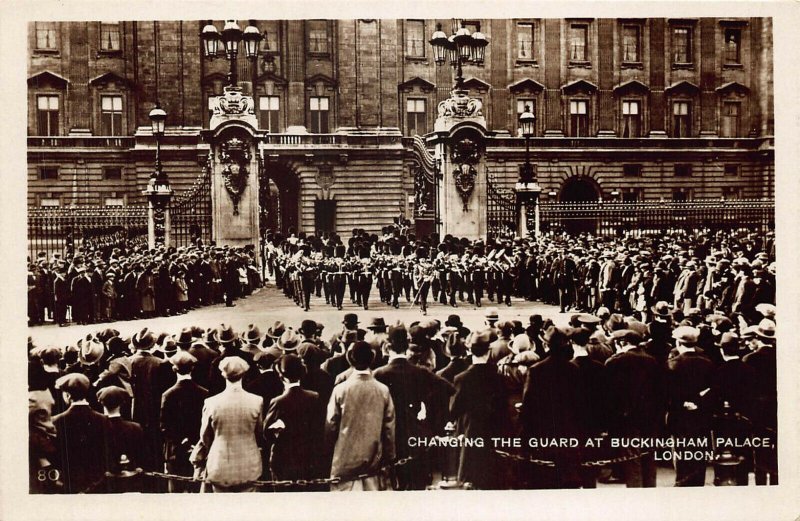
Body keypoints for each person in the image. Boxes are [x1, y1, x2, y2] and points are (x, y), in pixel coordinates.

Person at [374, 323, 455, 490]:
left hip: (388, 434)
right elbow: (448, 388)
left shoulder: (379, 374)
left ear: (388, 346)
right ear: (407, 345)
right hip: (415, 432)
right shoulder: (420, 372)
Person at [326, 341, 396, 491]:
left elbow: (330, 426)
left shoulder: (340, 390)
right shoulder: (383, 390)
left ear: (350, 358)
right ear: (372, 358)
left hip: (344, 461)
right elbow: (389, 429)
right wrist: (390, 458)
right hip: (373, 464)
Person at [190, 356, 264, 492]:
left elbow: (205, 436)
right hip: (249, 465)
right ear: (244, 374)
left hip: (219, 465)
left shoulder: (211, 402)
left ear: (223, 375)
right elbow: (259, 433)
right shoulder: (257, 401)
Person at [449, 329, 511, 489]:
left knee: (472, 477)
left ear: (470, 350)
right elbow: (504, 407)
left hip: (471, 431)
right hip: (495, 431)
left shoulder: (461, 378)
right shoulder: (500, 378)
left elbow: (454, 409)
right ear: (489, 351)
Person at [263, 355, 324, 490]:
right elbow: (319, 428)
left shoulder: (278, 401)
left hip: (283, 459)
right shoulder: (314, 397)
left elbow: (266, 433)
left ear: (281, 376)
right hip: (308, 457)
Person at [52, 373, 111, 493]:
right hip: (97, 482)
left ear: (68, 395)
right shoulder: (104, 419)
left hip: (67, 482)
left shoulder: (56, 421)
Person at [160, 351, 209, 493]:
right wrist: (194, 442)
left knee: (176, 491)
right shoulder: (204, 393)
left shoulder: (168, 394)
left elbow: (164, 425)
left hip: (175, 450)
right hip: (197, 449)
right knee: (196, 488)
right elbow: (204, 422)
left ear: (174, 369)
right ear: (192, 369)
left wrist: (181, 441)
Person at [97, 386, 148, 493]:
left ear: (102, 404)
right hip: (131, 482)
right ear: (121, 404)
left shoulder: (97, 427)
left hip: (105, 484)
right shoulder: (135, 427)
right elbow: (142, 455)